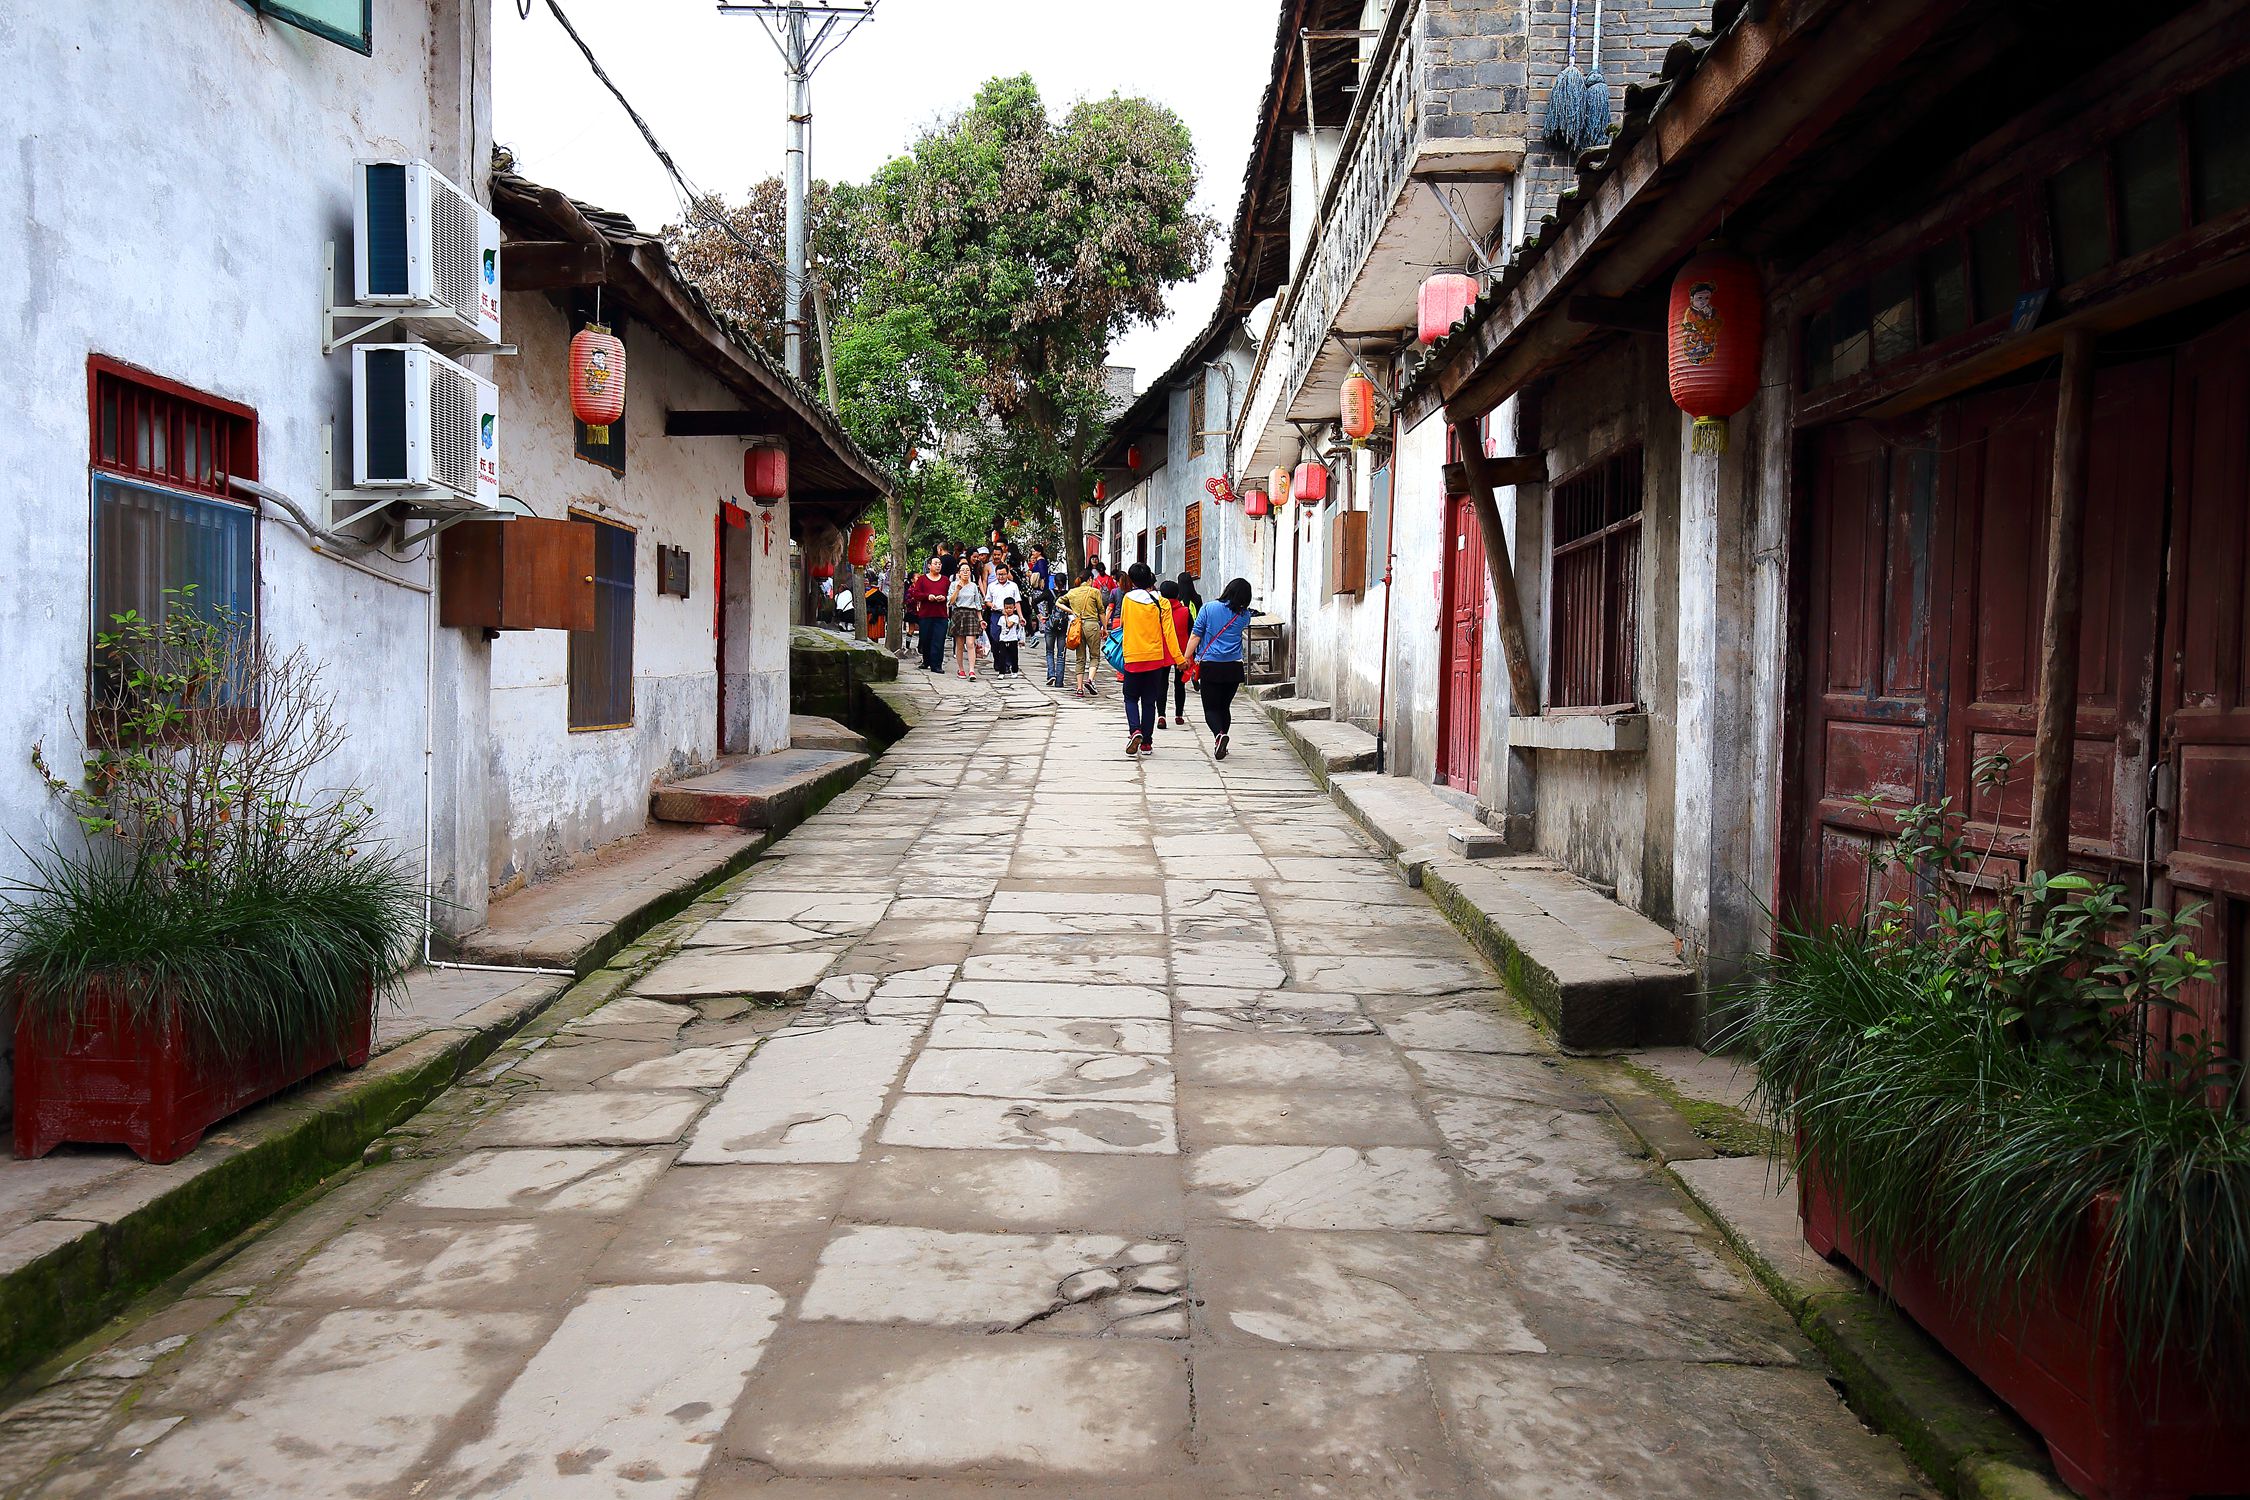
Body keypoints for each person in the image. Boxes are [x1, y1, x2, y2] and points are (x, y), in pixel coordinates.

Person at [1184, 576, 1258, 760]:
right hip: (1234, 667)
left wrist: (1185, 658)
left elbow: (1196, 636)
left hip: (1210, 665)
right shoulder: (1244, 616)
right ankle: (1222, 740)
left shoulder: (1208, 608)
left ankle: (1219, 735)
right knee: (1225, 707)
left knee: (1210, 708)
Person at [1116, 563, 1185, 758]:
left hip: (1133, 657)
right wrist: (1179, 659)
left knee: (1130, 697)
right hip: (1155, 658)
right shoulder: (1162, 602)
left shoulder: (1128, 599)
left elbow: (1122, 624)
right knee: (1149, 701)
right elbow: (1169, 634)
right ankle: (1146, 743)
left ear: (1132, 580)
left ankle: (1135, 731)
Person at [1061, 568, 1107, 696]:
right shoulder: (1095, 592)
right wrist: (1105, 628)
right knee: (1094, 656)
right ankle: (1090, 680)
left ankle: (1079, 688)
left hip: (1078, 626)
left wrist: (1071, 611)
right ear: (1090, 579)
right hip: (1092, 625)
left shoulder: (1072, 592)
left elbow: (1059, 602)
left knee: (1080, 658)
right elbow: (1101, 611)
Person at [1157, 581, 1193, 730]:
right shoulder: (1185, 611)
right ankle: (1178, 715)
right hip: (1181, 653)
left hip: (1163, 652)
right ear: (1178, 594)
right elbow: (1192, 632)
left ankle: (1161, 716)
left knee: (1162, 684)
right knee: (1180, 684)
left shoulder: (1158, 611)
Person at [907, 556, 950, 672]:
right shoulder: (922, 579)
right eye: (935, 563)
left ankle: (937, 665)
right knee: (925, 639)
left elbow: (950, 595)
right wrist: (927, 597)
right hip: (926, 614)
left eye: (940, 564)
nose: (938, 566)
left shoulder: (945, 580)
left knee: (939, 640)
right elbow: (916, 595)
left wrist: (944, 598)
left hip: (941, 615)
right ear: (929, 566)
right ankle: (926, 661)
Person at [947, 563, 985, 679]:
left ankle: (972, 670)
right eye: (963, 570)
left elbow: (978, 604)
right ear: (958, 573)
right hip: (958, 613)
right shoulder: (954, 585)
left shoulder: (973, 586)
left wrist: (981, 619)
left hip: (971, 614)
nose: (965, 572)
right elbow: (950, 602)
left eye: (967, 570)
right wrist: (957, 590)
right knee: (959, 644)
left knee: (970, 643)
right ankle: (961, 669)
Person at [1041, 576, 1070, 687]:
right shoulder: (1068, 594)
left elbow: (1034, 602)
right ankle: (1059, 681)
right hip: (1062, 626)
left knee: (1049, 652)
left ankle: (1051, 674)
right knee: (1061, 654)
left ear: (1054, 582)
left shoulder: (1049, 593)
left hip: (1050, 624)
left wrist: (1041, 616)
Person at [996, 598, 1026, 676]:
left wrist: (1006, 616)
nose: (1008, 610)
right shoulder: (1001, 618)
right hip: (1003, 639)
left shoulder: (1015, 617)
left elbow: (1009, 625)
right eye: (1006, 608)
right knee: (1002, 656)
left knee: (1014, 656)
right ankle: (1001, 672)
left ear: (1014, 608)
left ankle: (1014, 671)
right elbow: (1000, 627)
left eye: (1010, 608)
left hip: (1012, 639)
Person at [863, 579, 889, 645]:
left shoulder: (869, 593)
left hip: (873, 615)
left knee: (873, 633)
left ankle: (873, 643)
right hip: (876, 615)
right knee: (874, 634)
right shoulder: (878, 594)